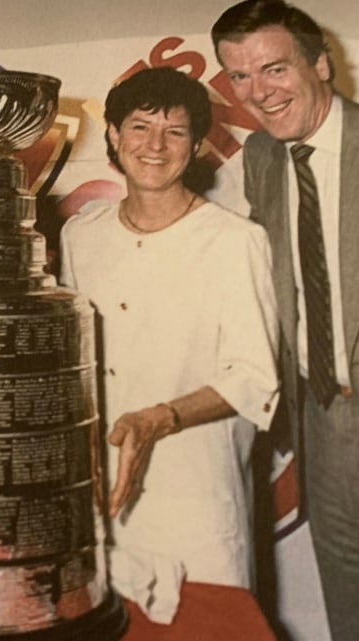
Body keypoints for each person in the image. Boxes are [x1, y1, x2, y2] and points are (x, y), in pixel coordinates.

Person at [59, 66, 279, 602]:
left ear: (197, 144)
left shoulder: (235, 242)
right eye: (139, 127)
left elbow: (254, 378)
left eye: (175, 132)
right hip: (101, 493)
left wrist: (160, 418)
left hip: (197, 494)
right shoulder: (79, 234)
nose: (155, 146)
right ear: (113, 135)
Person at [212, 2, 359, 639]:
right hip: (324, 409)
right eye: (239, 77)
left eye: (274, 68)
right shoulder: (263, 160)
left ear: (322, 64)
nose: (259, 93)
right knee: (345, 574)